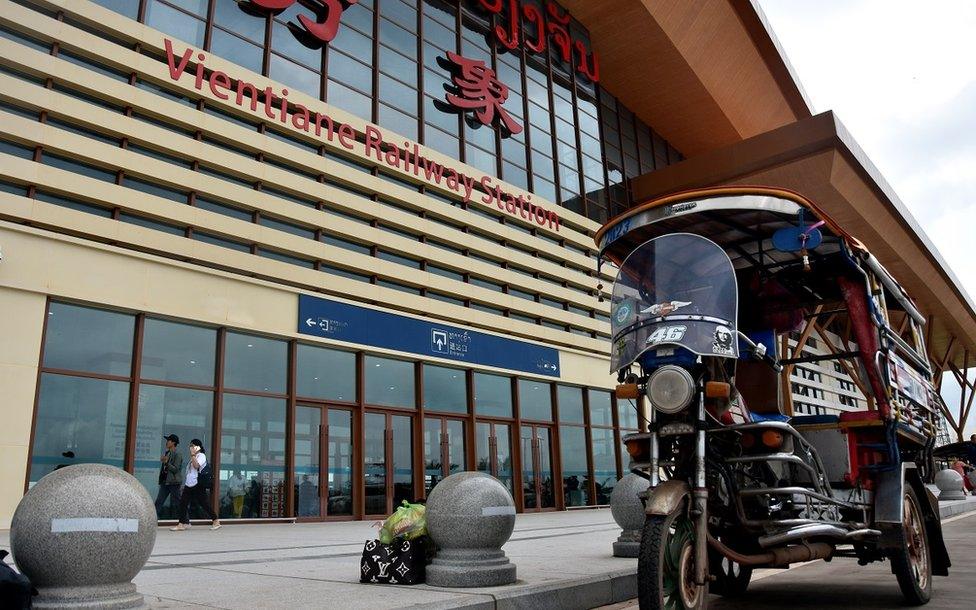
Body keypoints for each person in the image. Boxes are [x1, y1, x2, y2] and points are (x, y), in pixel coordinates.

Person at [171, 439, 221, 531]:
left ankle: (216, 520)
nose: (191, 447)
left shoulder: (201, 455)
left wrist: (193, 455)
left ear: (198, 447)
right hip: (189, 484)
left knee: (204, 503)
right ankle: (181, 524)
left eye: (193, 445)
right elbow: (189, 472)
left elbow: (196, 466)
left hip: (197, 484)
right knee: (183, 503)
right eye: (190, 446)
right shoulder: (193, 457)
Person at [155, 434, 183, 518]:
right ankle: (152, 519)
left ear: (173, 442)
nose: (166, 442)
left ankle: (185, 520)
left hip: (174, 482)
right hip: (165, 482)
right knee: (159, 501)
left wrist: (166, 463)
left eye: (168, 441)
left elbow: (175, 469)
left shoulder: (178, 454)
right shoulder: (167, 453)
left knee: (177, 503)